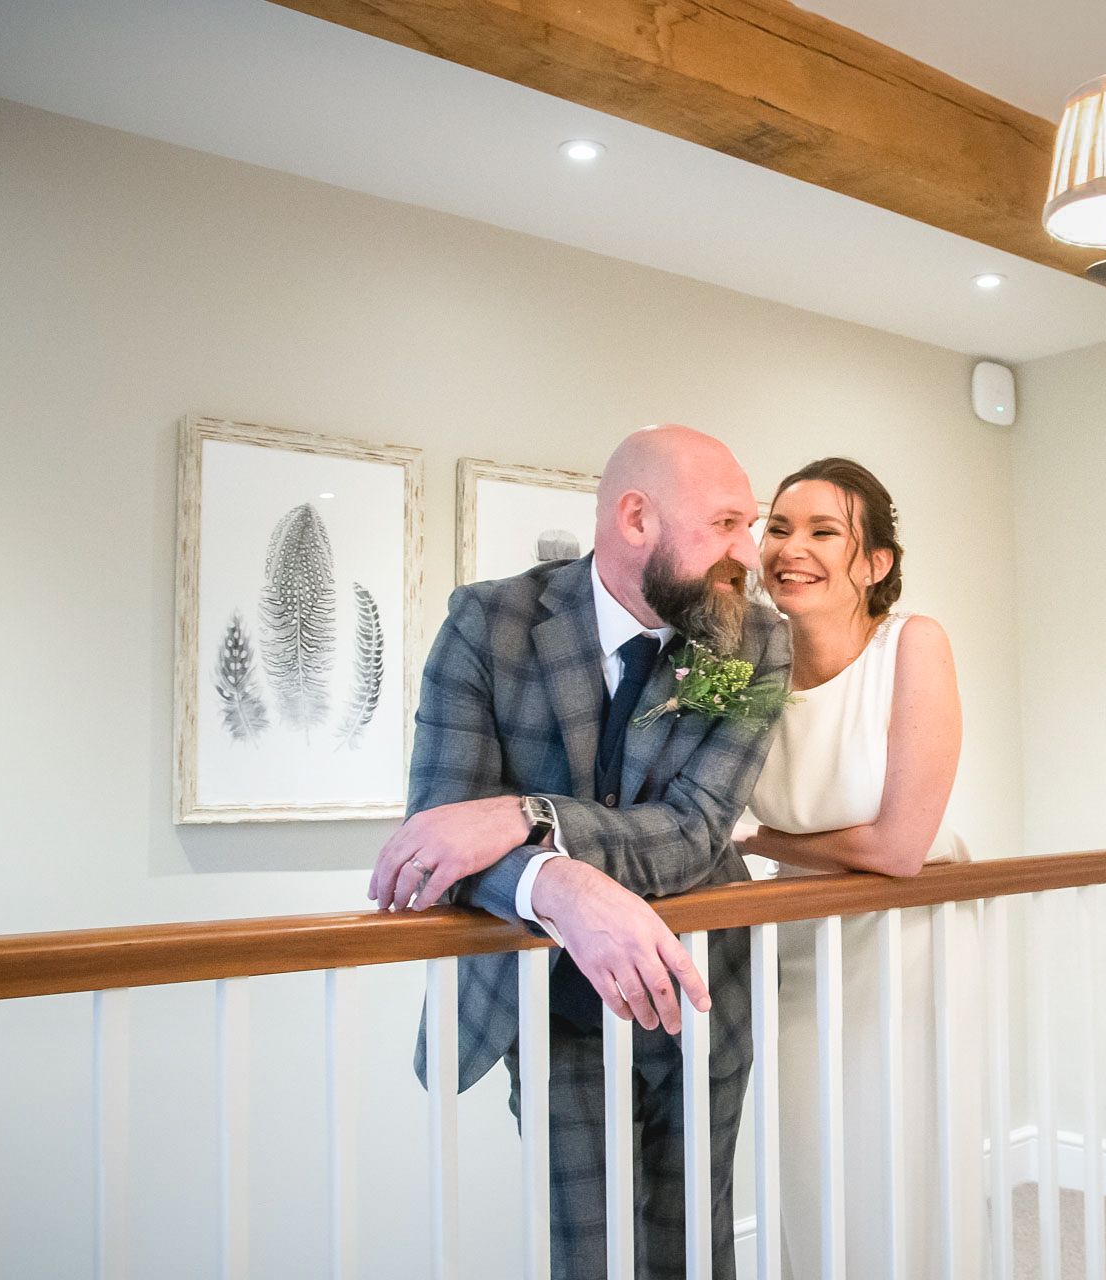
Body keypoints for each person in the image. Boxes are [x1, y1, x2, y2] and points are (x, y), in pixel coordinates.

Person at [366, 424, 788, 1280]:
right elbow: (443, 832)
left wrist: (526, 818)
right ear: (636, 519)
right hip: (552, 1000)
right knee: (585, 1253)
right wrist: (561, 888)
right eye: (725, 524)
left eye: (751, 524)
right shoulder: (490, 627)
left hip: (704, 988)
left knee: (694, 1247)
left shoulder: (748, 642)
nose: (749, 553)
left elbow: (697, 825)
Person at [735, 457, 984, 1277]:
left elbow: (897, 847)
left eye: (822, 531)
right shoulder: (738, 664)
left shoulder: (914, 644)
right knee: (808, 1157)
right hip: (799, 935)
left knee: (905, 1149)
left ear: (875, 564)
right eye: (777, 527)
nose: (790, 548)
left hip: (911, 935)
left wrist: (760, 839)